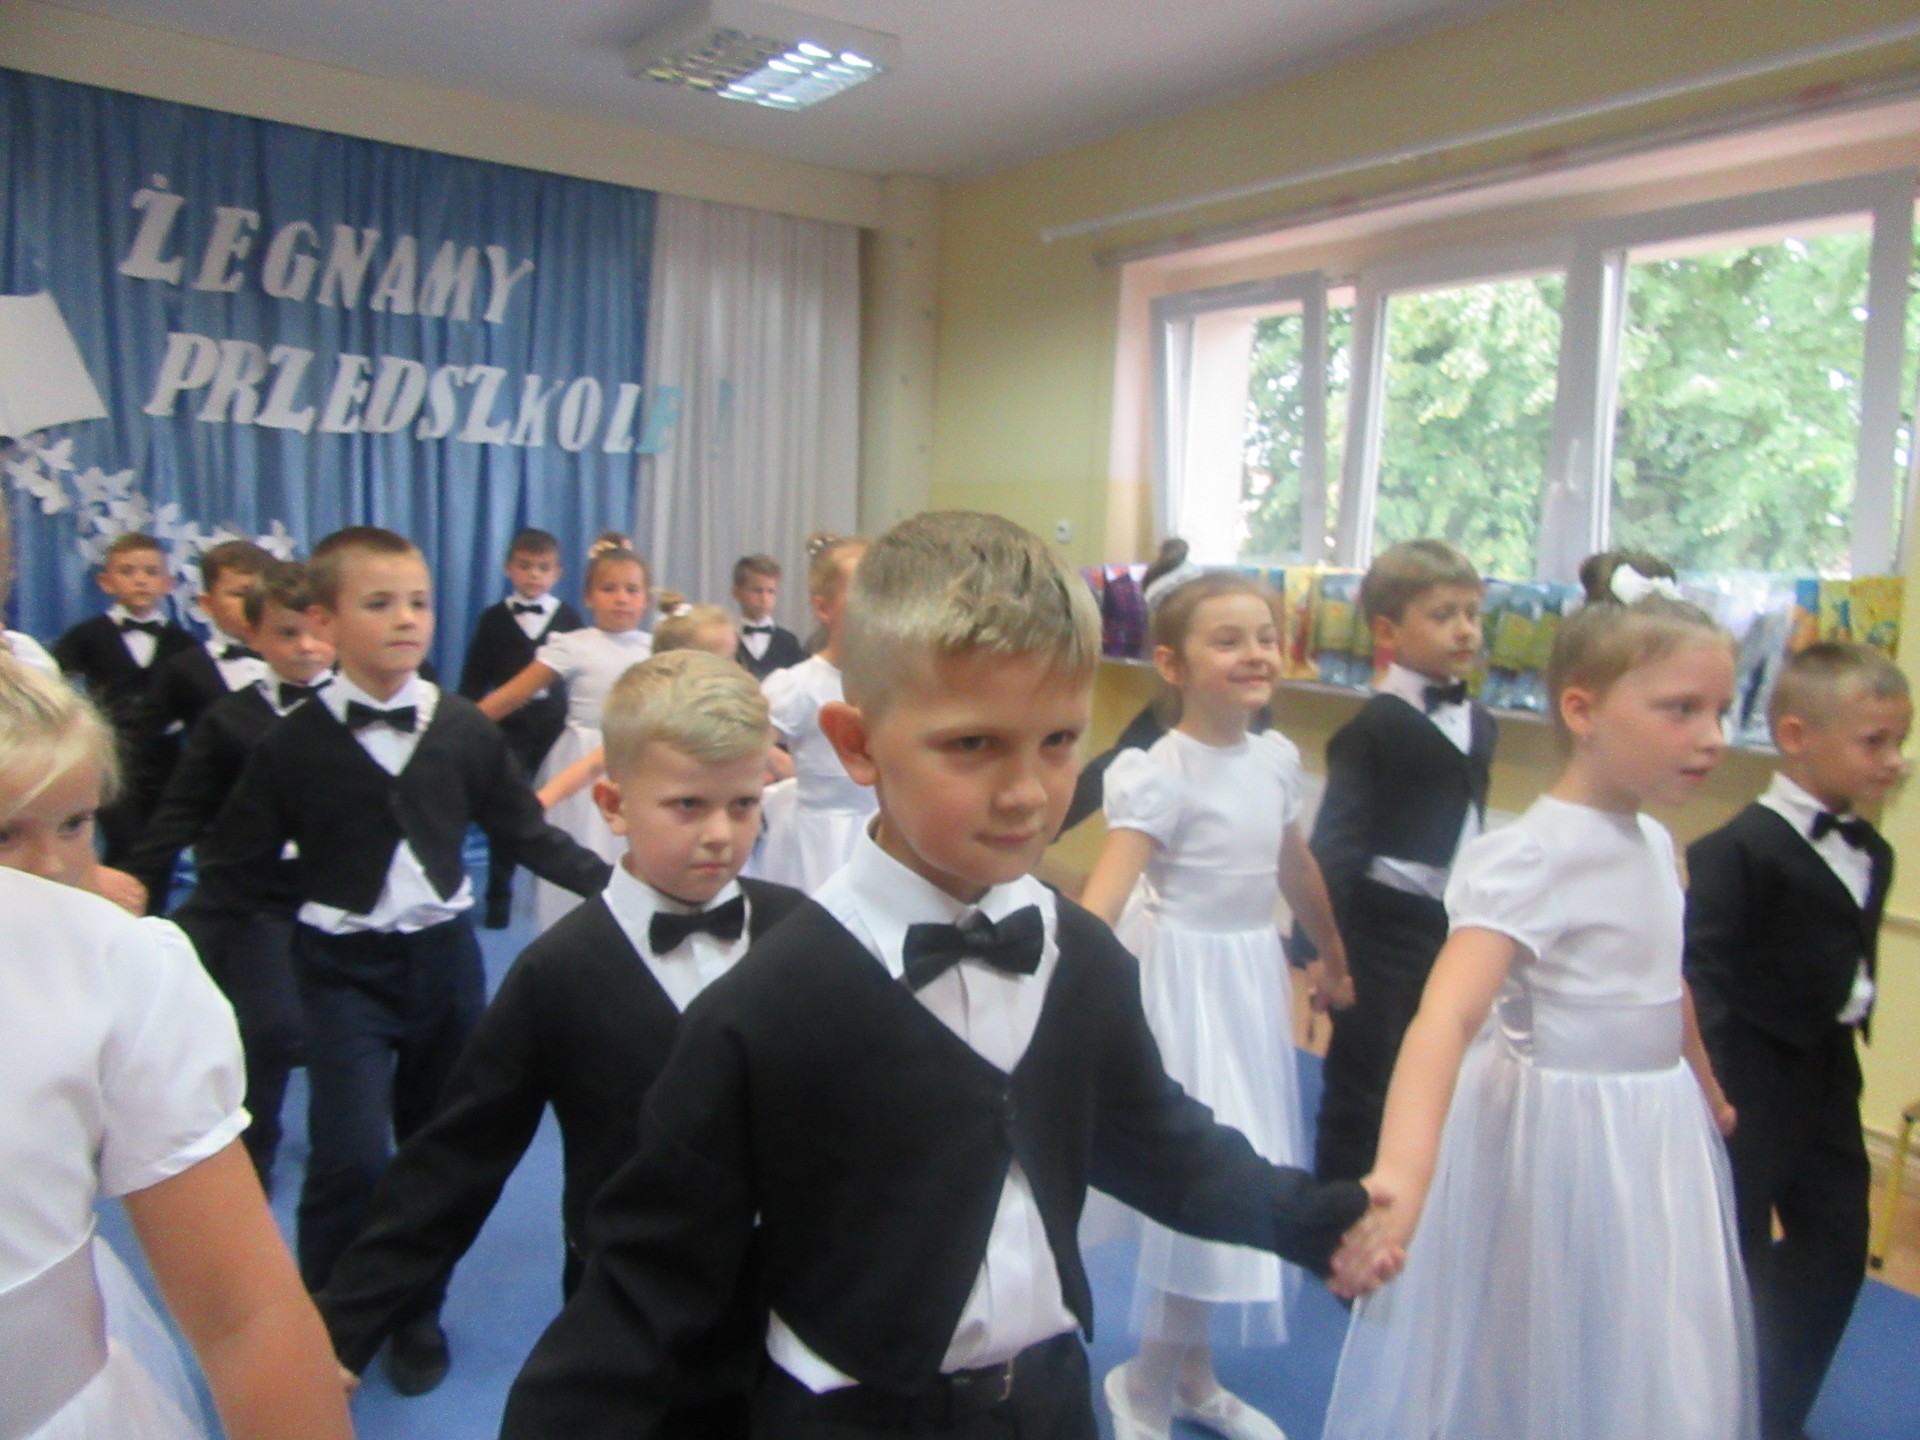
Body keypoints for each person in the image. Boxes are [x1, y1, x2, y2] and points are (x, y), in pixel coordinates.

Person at [498, 511, 1383, 1440]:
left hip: (1047, 1405)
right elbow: (647, 1281)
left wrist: (1319, 1217)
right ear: (858, 743)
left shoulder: (1082, 957)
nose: (1028, 793)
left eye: (1058, 740)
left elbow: (1158, 1142)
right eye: (972, 745)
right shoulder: (768, 1004)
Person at [1319, 563, 1756, 1440]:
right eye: (1680, 710)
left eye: (1721, 711)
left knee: (1650, 1332)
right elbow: (1446, 1017)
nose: (1711, 739)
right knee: (1527, 1339)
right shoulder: (1531, 856)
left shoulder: (1655, 841)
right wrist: (1401, 1176)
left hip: (1654, 1130)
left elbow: (1664, 980)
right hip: (1557, 1135)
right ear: (1583, 711)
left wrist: (1704, 1084)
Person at [316, 650, 805, 1424]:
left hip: (786, 1305)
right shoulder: (560, 972)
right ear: (612, 804)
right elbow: (456, 1160)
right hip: (633, 1309)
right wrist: (343, 1326)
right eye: (687, 805)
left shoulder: (796, 932)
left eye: (743, 805)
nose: (721, 834)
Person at [195, 525, 613, 1397]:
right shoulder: (292, 743)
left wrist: (622, 888)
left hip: (444, 967)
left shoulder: (461, 728)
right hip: (340, 970)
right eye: (379, 603)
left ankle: (419, 1310)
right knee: (348, 1156)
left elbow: (524, 832)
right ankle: (331, 1317)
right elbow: (233, 866)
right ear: (324, 622)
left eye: (418, 603)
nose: (406, 619)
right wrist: (179, 955)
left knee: (435, 1153)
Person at [0, 654, 353, 1440]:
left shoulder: (115, 971)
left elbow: (244, 1308)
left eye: (75, 825)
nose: (54, 867)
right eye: (5, 835)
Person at [1079, 568, 1354, 1440]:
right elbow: (1105, 895)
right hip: (1182, 989)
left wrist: (1330, 955)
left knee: (1244, 1164)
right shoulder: (1157, 773)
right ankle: (1145, 1384)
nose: (1256, 653)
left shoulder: (1274, 761)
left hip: (1247, 978)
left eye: (1266, 636)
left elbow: (1294, 867)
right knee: (1202, 1178)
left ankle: (1191, 1374)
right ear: (1173, 663)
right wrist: (1060, 986)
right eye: (1228, 640)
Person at [1685, 640, 1908, 1440]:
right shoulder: (1735, 850)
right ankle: (1706, 1410)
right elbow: (1703, 975)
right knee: (1732, 1252)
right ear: (1796, 736)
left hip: (1829, 1073)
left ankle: (1773, 1412)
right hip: (1748, 1077)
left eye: (1901, 742)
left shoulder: (1873, 849)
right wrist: (1708, 1087)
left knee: (1837, 1245)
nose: (1894, 762)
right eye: (1874, 742)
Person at [125, 561, 335, 1185]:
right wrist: (136, 879)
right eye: (287, 634)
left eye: (318, 631)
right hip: (259, 894)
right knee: (270, 1028)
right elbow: (183, 808)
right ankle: (254, 1152)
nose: (305, 647)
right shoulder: (230, 719)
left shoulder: (364, 712)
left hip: (345, 893)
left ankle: (348, 1150)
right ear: (255, 636)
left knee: (346, 1025)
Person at [1304, 539, 1494, 1184]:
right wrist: (1322, 949)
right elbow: (1335, 846)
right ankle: (1340, 1201)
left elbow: (1472, 818)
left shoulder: (1480, 722)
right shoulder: (1370, 730)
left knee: (1433, 1063)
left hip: (1452, 923)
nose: (1465, 630)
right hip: (1380, 932)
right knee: (1364, 1074)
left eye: (1472, 613)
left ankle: (1414, 1191)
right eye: (1443, 616)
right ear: (1388, 631)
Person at [481, 532, 651, 930]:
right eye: (608, 589)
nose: (621, 599)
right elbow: (511, 695)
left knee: (634, 848)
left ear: (645, 599)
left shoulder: (656, 647)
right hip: (580, 758)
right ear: (588, 597)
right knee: (582, 846)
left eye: (632, 590)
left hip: (637, 758)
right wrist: (451, 725)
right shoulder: (572, 645)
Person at [459, 528, 584, 929]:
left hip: (556, 728)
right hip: (508, 730)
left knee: (561, 808)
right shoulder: (493, 619)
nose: (534, 575)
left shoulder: (568, 618)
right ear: (508, 569)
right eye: (525, 566)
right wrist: (463, 723)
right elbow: (474, 677)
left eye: (543, 568)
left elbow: (580, 678)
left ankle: (564, 896)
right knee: (508, 810)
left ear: (557, 573)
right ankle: (499, 897)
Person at [51, 532, 196, 866]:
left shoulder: (183, 643)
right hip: (112, 755)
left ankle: (153, 898)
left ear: (169, 584)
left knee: (160, 847)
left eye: (151, 572)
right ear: (106, 582)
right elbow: (53, 679)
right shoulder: (88, 635)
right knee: (124, 842)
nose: (140, 580)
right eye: (127, 571)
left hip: (167, 760)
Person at [754, 533, 874, 890]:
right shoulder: (798, 685)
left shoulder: (897, 681)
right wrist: (779, 763)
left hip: (884, 827)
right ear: (825, 609)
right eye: (861, 597)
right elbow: (744, 742)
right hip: (822, 837)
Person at [149, 539, 274, 742]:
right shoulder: (182, 670)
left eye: (261, 594)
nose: (253, 604)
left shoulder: (300, 659)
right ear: (207, 604)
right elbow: (153, 740)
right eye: (240, 594)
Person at [732, 553, 804, 681]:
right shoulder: (727, 639)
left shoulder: (788, 642)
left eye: (771, 591)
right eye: (757, 591)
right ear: (737, 593)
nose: (765, 599)